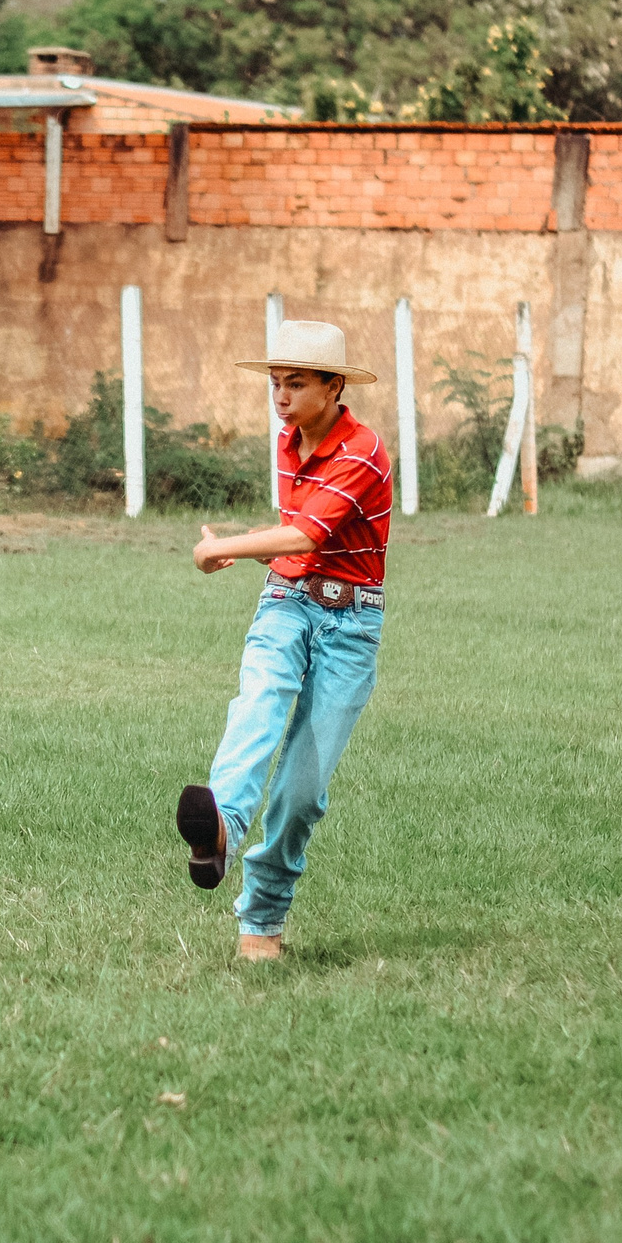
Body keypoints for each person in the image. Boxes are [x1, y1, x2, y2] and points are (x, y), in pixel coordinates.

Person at [175, 320, 392, 961]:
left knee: (302, 789)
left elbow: (303, 536)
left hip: (350, 625)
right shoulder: (287, 440)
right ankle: (220, 829)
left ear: (333, 386)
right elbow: (291, 537)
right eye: (275, 384)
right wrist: (243, 555)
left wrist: (221, 549)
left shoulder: (362, 451)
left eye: (295, 384)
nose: (281, 397)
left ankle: (263, 920)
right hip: (285, 604)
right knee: (259, 701)